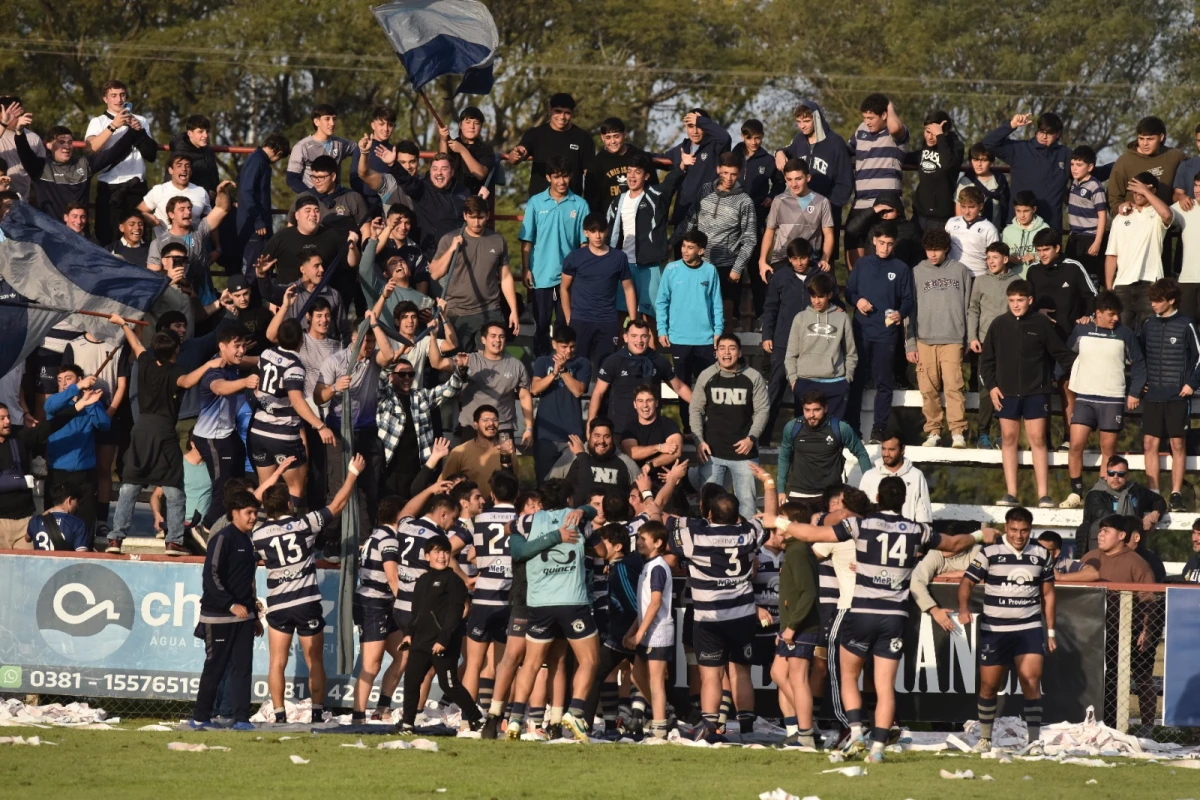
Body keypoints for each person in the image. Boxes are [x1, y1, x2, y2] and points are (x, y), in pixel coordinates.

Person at [777, 477, 994, 763]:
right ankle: (877, 749)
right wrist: (981, 536)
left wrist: (779, 522)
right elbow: (953, 544)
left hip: (863, 612)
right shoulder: (918, 530)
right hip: (894, 617)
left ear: (877, 496)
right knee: (883, 685)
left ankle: (856, 731)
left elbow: (809, 534)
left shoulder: (862, 524)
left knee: (849, 676)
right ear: (904, 500)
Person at [666, 469, 777, 742]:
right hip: (741, 616)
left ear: (710, 514)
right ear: (737, 515)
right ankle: (748, 730)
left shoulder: (696, 537)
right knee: (740, 673)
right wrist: (769, 484)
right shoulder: (749, 532)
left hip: (709, 619)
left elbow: (659, 516)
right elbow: (771, 521)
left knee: (711, 677)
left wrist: (663, 486)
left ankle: (710, 729)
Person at [254, 457, 363, 724]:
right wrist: (352, 473)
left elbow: (253, 499)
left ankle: (279, 715)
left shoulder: (258, 533)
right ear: (289, 504)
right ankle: (317, 711)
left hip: (278, 604)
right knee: (315, 660)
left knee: (277, 662)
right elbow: (337, 505)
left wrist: (275, 473)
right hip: (306, 601)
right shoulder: (305, 523)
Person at [504, 478, 604, 741]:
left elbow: (508, 527)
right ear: (569, 500)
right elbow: (603, 551)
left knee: (532, 663)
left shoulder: (528, 521)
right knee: (590, 660)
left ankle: (515, 719)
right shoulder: (578, 519)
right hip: (572, 601)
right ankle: (575, 711)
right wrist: (585, 512)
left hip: (538, 603)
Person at [106, 319, 218, 555]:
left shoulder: (145, 362)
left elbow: (136, 344)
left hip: (140, 431)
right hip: (164, 432)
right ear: (176, 349)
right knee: (174, 488)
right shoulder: (175, 371)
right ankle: (174, 540)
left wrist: (123, 324)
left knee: (129, 487)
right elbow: (188, 381)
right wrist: (210, 365)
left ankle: (116, 539)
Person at [958, 506, 1056, 754]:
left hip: (1029, 628)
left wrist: (1051, 631)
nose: (1019, 536)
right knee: (989, 686)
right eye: (1014, 530)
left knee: (1031, 681)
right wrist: (963, 608)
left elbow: (1048, 593)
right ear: (1006, 528)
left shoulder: (1041, 553)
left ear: (1030, 530)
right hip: (995, 630)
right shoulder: (989, 552)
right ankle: (985, 738)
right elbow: (967, 581)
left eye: (1024, 530)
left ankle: (1034, 741)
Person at [980, 280, 1076, 508]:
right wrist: (992, 386)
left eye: (1020, 300)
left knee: (1038, 440)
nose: (1015, 305)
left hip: (1036, 392)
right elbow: (986, 361)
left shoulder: (1042, 324)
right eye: (1011, 300)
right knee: (1009, 440)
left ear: (1030, 300)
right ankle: (1011, 493)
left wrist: (1087, 368)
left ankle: (1044, 494)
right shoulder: (999, 324)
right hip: (1006, 394)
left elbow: (1061, 354)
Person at [1060, 293, 1146, 509]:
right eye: (1111, 314)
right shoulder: (1081, 329)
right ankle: (1075, 493)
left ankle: (1100, 495)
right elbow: (1065, 357)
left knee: (1108, 451)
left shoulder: (1125, 333)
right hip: (1085, 398)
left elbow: (1139, 365)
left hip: (1112, 399)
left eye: (1117, 314)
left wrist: (1135, 392)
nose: (1115, 318)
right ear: (1097, 314)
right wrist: (1055, 378)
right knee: (1075, 444)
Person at [1079, 515, 1161, 735]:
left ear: (1122, 535)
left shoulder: (1136, 563)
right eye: (1100, 530)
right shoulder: (1089, 557)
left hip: (1129, 634)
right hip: (1093, 634)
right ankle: (1092, 722)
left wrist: (1147, 630)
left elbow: (1150, 600)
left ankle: (1147, 727)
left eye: (1107, 530)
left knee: (1141, 676)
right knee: (1094, 678)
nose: (1101, 534)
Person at [189, 490, 264, 730]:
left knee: (242, 669)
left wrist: (253, 614)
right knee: (215, 668)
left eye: (255, 513)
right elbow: (211, 576)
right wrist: (230, 604)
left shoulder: (248, 540)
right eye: (248, 513)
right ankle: (201, 717)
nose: (253, 517)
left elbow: (247, 582)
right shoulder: (223, 538)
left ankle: (241, 718)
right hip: (219, 617)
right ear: (235, 513)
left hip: (244, 618)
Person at [5, 101, 146, 227]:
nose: (67, 146)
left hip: (80, 237)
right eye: (61, 142)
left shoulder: (84, 164)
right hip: (50, 236)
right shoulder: (40, 167)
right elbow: (24, 152)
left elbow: (114, 152)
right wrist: (19, 131)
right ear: (48, 145)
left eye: (70, 142)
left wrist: (133, 131)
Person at [398, 535, 483, 732]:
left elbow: (455, 613)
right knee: (411, 682)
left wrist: (444, 639)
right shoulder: (422, 580)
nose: (442, 556)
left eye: (445, 552)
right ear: (427, 556)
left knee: (449, 685)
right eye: (437, 552)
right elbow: (417, 612)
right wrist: (409, 634)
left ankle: (476, 718)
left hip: (443, 643)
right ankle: (407, 724)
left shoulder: (454, 581)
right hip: (420, 641)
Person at [247, 318, 333, 505]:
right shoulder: (294, 365)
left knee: (266, 487)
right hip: (283, 435)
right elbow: (296, 400)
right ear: (301, 340)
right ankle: (292, 530)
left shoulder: (267, 353)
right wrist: (320, 426)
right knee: (296, 489)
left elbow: (261, 387)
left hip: (258, 432)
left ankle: (263, 531)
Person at [846, 222, 915, 443]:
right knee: (856, 381)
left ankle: (878, 429)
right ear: (874, 241)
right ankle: (853, 428)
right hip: (861, 331)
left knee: (884, 383)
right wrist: (858, 301)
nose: (885, 247)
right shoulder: (862, 264)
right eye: (882, 242)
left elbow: (908, 300)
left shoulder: (901, 268)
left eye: (890, 244)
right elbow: (849, 291)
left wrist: (899, 313)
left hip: (886, 334)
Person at [690, 334, 769, 521]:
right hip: (712, 452)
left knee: (747, 506)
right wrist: (698, 441)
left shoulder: (753, 377)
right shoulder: (707, 375)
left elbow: (763, 410)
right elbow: (695, 410)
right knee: (709, 508)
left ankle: (749, 546)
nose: (727, 352)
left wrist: (752, 438)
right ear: (715, 352)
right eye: (722, 348)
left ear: (740, 352)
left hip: (745, 453)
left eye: (732, 348)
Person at [673, 152, 758, 326]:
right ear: (718, 169)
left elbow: (750, 239)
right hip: (701, 263)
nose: (729, 178)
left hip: (727, 267)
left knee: (724, 318)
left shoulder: (744, 201)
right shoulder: (704, 190)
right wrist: (671, 242)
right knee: (698, 312)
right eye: (725, 173)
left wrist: (738, 267)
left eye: (733, 174)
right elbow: (691, 219)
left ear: (739, 173)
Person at [1138, 278, 1200, 510]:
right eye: (1152, 299)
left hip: (1177, 396)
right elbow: (1138, 356)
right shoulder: (1147, 324)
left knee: (1177, 444)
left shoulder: (1186, 324)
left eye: (1158, 300)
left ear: (1171, 300)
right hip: (1153, 395)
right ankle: (1153, 494)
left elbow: (1199, 357)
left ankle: (1175, 494)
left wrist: (1191, 384)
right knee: (1149, 444)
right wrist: (1140, 383)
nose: (1153, 304)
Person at [908, 227, 973, 447]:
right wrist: (909, 343)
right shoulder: (917, 272)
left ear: (946, 248)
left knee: (954, 386)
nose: (933, 254)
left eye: (937, 250)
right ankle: (933, 431)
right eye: (929, 250)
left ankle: (957, 432)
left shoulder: (961, 271)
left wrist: (968, 338)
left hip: (953, 338)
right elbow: (910, 309)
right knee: (927, 388)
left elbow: (968, 308)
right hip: (924, 339)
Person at [518, 156, 588, 356]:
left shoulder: (580, 204)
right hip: (541, 274)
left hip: (569, 277)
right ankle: (541, 368)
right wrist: (525, 269)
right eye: (557, 177)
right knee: (541, 324)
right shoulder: (535, 202)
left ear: (571, 176)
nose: (561, 182)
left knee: (565, 325)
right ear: (549, 177)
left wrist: (581, 273)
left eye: (565, 176)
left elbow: (584, 242)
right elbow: (527, 239)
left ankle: (563, 368)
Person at [460, 471, 520, 706]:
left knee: (474, 664)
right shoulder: (522, 518)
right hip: (511, 598)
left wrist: (476, 571)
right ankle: (502, 717)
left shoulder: (479, 519)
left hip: (483, 596)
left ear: (492, 495)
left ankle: (467, 719)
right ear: (517, 495)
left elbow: (466, 553)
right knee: (508, 662)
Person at [605, 153, 683, 331]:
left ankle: (651, 357)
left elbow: (671, 183)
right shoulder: (618, 201)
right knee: (619, 315)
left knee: (651, 317)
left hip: (649, 265)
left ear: (646, 176)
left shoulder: (655, 195)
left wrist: (682, 166)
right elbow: (608, 231)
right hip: (623, 266)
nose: (632, 176)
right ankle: (621, 356)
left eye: (637, 172)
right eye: (629, 172)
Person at [429, 196, 519, 348]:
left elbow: (505, 277)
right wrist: (452, 249)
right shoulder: (449, 239)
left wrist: (513, 310)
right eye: (472, 217)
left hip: (491, 310)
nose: (476, 222)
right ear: (464, 215)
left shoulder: (498, 240)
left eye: (480, 217)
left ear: (487, 216)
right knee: (460, 364)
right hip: (457, 312)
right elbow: (435, 273)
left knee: (491, 362)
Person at [376, 355, 468, 503]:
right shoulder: (385, 398)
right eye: (402, 374)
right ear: (392, 377)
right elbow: (381, 380)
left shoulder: (421, 396)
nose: (407, 378)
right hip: (390, 471)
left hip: (418, 470)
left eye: (411, 374)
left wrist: (461, 369)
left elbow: (450, 389)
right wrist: (394, 358)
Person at [193, 326, 257, 533]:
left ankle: (229, 527)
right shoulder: (214, 370)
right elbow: (220, 387)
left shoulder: (233, 363)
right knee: (224, 487)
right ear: (222, 346)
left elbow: (250, 360)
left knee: (238, 484)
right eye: (236, 346)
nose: (241, 351)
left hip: (228, 434)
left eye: (243, 346)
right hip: (212, 438)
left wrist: (270, 357)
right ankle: (204, 528)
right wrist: (245, 382)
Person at [350, 496, 405, 722]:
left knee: (404, 654)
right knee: (371, 664)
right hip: (373, 604)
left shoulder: (376, 534)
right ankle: (358, 715)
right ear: (398, 517)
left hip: (382, 602)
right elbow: (392, 577)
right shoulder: (388, 539)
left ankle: (382, 708)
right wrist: (404, 604)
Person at [84, 80, 159, 244]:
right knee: (108, 238)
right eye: (113, 96)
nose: (118, 100)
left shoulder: (141, 120)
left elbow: (151, 155)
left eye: (122, 95)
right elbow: (90, 149)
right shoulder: (98, 122)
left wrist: (139, 132)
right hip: (109, 187)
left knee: (139, 240)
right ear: (105, 99)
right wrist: (113, 126)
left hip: (136, 186)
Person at [776, 100, 853, 257]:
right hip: (801, 212)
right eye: (799, 122)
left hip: (827, 214)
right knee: (799, 259)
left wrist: (827, 207)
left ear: (816, 118)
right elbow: (786, 151)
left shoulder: (835, 142)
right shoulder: (799, 140)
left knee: (825, 262)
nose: (802, 125)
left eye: (806, 121)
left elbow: (845, 182)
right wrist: (779, 152)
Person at [591, 319, 693, 437]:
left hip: (652, 429)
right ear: (625, 337)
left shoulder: (659, 360)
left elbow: (680, 388)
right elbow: (598, 393)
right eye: (634, 336)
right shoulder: (613, 361)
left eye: (643, 336)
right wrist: (590, 423)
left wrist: (705, 406)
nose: (639, 341)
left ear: (649, 338)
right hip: (620, 430)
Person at [560, 213, 636, 364]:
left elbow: (629, 289)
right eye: (593, 231)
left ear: (606, 231)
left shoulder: (619, 257)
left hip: (608, 321)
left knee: (607, 369)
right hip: (580, 321)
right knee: (578, 368)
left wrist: (633, 321)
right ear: (585, 233)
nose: (598, 235)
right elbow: (564, 288)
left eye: (601, 231)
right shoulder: (574, 257)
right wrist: (569, 317)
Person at [621, 520, 674, 740]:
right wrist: (631, 630)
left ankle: (660, 729)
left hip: (658, 633)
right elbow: (643, 606)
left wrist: (640, 633)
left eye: (644, 538)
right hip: (646, 632)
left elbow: (654, 603)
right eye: (638, 537)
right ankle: (666, 715)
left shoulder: (659, 567)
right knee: (636, 676)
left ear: (658, 542)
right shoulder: (648, 565)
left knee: (655, 681)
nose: (639, 542)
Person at [43, 367, 110, 536]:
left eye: (68, 378)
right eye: (59, 380)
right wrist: (77, 388)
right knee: (53, 528)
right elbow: (49, 406)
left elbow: (104, 425)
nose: (63, 384)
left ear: (80, 378)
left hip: (84, 474)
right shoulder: (56, 402)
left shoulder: (91, 402)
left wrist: (90, 402)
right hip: (58, 472)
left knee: (84, 527)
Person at [981, 111, 1074, 233]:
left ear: (1058, 134)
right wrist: (1011, 125)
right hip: (1019, 226)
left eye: (1049, 133)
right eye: (1041, 131)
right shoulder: (1020, 149)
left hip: (1050, 226)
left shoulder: (1066, 154)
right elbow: (988, 143)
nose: (1044, 136)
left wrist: (1108, 168)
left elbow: (1088, 173)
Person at [846, 94, 908, 269]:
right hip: (860, 205)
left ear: (884, 115)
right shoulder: (860, 130)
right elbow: (842, 151)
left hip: (886, 208)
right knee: (856, 265)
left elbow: (895, 127)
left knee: (884, 263)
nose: (867, 122)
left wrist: (888, 104)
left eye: (871, 117)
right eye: (865, 118)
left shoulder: (896, 132)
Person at [777, 390, 871, 505]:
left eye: (816, 410)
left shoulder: (840, 428)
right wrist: (780, 489)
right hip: (799, 494)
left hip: (831, 497)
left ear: (825, 408)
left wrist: (870, 484)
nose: (811, 415)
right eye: (807, 410)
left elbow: (861, 453)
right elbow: (784, 458)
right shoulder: (792, 427)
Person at [656, 229, 724, 387]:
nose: (685, 251)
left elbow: (716, 303)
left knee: (707, 386)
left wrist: (718, 331)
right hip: (679, 338)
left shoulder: (710, 271)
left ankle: (704, 414)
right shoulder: (671, 269)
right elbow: (661, 302)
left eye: (690, 247)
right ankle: (685, 414)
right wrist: (662, 330)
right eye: (683, 246)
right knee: (681, 386)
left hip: (706, 340)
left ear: (701, 251)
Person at [783, 271, 854, 420]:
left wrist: (846, 379)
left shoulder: (842, 318)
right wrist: (794, 381)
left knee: (832, 435)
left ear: (829, 295)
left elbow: (851, 353)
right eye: (813, 296)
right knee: (805, 436)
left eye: (820, 296)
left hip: (835, 384)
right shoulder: (800, 318)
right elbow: (790, 354)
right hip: (805, 383)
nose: (817, 301)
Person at [968, 242, 1020, 448]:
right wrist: (972, 337)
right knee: (986, 390)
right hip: (984, 344)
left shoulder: (1016, 281)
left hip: (1010, 345)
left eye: (995, 257)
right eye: (988, 258)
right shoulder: (980, 282)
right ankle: (983, 435)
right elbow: (973, 310)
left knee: (1007, 389)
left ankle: (1002, 434)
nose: (990, 262)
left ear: (1005, 259)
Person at [1107, 174, 1174, 331]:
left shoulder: (1157, 214)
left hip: (1150, 283)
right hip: (1122, 285)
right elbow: (1111, 255)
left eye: (1141, 191)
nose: (1137, 194)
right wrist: (1110, 287)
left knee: (1151, 332)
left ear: (1153, 191)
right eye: (1135, 191)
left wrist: (1146, 191)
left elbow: (1167, 215)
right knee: (1122, 334)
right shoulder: (1121, 218)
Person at [759, 159, 835, 280]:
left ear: (808, 177)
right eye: (789, 179)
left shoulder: (822, 202)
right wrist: (762, 261)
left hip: (810, 261)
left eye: (798, 179)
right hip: (781, 260)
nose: (794, 184)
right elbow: (769, 232)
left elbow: (829, 234)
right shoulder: (778, 201)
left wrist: (824, 259)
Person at [457, 321, 533, 442]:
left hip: (503, 427)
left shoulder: (516, 365)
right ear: (483, 340)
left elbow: (524, 396)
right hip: (472, 426)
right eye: (493, 336)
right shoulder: (469, 360)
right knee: (471, 461)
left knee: (504, 461)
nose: (497, 340)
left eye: (501, 337)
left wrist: (529, 429)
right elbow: (439, 363)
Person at [531, 326, 590, 482]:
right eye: (564, 347)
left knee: (571, 482)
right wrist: (554, 373)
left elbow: (578, 391)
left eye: (571, 347)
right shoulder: (542, 362)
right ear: (554, 344)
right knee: (544, 482)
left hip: (572, 435)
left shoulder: (582, 363)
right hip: (545, 435)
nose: (568, 351)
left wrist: (563, 371)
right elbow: (535, 389)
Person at [507, 93, 594, 197]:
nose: (562, 117)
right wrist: (516, 154)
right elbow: (514, 159)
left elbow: (590, 174)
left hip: (571, 203)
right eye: (558, 111)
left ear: (572, 113)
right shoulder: (535, 134)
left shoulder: (583, 138)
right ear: (549, 110)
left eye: (567, 113)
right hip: (540, 203)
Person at [1074, 455, 1165, 554]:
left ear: (1127, 476)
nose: (1115, 477)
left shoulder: (1135, 490)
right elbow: (1110, 521)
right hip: (1101, 547)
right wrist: (1139, 523)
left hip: (1132, 547)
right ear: (1105, 475)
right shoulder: (1095, 495)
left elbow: (1159, 500)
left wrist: (1155, 514)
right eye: (1111, 473)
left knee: (1154, 565)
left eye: (1120, 474)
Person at [664, 109, 733, 232]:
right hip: (683, 217)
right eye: (691, 126)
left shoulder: (715, 146)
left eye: (699, 126)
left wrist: (701, 120)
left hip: (709, 217)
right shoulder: (682, 149)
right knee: (682, 251)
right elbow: (659, 159)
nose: (695, 131)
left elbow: (725, 138)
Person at [235, 132, 291, 276]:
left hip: (255, 223)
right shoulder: (258, 161)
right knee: (253, 270)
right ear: (278, 153)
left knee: (259, 267)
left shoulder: (255, 159)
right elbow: (247, 191)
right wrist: (258, 220)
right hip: (254, 226)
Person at [1106, 116, 1187, 213]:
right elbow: (1113, 198)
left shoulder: (1176, 157)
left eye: (1150, 139)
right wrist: (1121, 209)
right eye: (1141, 138)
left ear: (1161, 137)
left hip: (1170, 222)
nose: (1145, 143)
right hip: (1135, 223)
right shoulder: (1124, 161)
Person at [903, 110, 964, 232]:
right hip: (919, 214)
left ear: (945, 132)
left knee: (935, 251)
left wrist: (940, 136)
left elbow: (947, 164)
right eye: (927, 131)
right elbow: (919, 156)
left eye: (934, 133)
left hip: (940, 218)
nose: (930, 137)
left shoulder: (956, 146)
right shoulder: (927, 144)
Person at [584, 116, 657, 215]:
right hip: (610, 221)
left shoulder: (640, 156)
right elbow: (592, 200)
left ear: (625, 134)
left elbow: (654, 189)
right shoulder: (596, 164)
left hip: (639, 217)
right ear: (602, 138)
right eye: (608, 137)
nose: (613, 141)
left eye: (616, 136)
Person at [560, 419, 640, 506]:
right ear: (589, 435)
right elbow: (551, 486)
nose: (602, 441)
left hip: (613, 518)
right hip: (576, 517)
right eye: (597, 436)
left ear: (612, 437)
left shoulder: (626, 463)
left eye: (606, 436)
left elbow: (641, 493)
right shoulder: (572, 456)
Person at [857, 434, 932, 522]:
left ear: (902, 450)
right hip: (874, 533)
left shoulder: (916, 475)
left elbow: (923, 513)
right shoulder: (869, 475)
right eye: (884, 449)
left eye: (891, 450)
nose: (886, 454)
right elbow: (860, 510)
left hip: (907, 533)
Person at [286, 103, 357, 192]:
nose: (332, 123)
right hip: (313, 201)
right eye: (327, 119)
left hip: (336, 199)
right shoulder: (302, 147)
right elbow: (292, 180)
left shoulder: (340, 143)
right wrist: (313, 196)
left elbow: (360, 149)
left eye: (334, 119)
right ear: (316, 122)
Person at [1066, 145, 1109, 284]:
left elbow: (1102, 215)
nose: (1074, 168)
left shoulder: (1095, 187)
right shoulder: (1075, 182)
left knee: (1090, 279)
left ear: (1090, 167)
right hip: (1074, 236)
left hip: (1089, 238)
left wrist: (1097, 242)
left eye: (1079, 165)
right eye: (1072, 164)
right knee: (1072, 278)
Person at [443, 405, 514, 490]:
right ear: (475, 424)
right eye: (485, 420)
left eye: (494, 420)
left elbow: (515, 485)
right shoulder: (459, 452)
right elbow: (443, 486)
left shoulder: (507, 451)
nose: (491, 423)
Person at [138, 152, 211, 226]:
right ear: (171, 170)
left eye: (187, 166)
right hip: (163, 237)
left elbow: (210, 222)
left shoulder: (201, 192)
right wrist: (147, 217)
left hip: (193, 237)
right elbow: (137, 212)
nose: (184, 169)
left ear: (191, 171)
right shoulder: (159, 190)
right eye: (179, 166)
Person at [945, 186, 1000, 279]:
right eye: (963, 207)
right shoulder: (951, 222)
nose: (967, 211)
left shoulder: (989, 228)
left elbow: (995, 257)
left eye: (971, 207)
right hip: (953, 275)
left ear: (981, 206)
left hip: (978, 277)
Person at [957, 141, 1011, 231]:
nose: (979, 164)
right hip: (970, 231)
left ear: (991, 162)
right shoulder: (965, 181)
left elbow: (1007, 205)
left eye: (984, 160)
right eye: (975, 160)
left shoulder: (1000, 180)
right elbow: (959, 208)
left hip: (995, 230)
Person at [439, 106, 494, 194]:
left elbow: (480, 174)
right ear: (460, 125)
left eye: (476, 123)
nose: (472, 127)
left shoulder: (486, 150)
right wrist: (443, 140)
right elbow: (441, 165)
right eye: (468, 122)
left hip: (473, 198)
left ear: (481, 126)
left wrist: (462, 150)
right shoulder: (451, 144)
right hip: (450, 196)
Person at [25, 483, 90, 552]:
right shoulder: (78, 524)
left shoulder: (35, 521)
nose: (77, 506)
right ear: (69, 500)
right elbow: (81, 555)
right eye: (77, 502)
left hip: (40, 562)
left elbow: (27, 538)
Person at [1001, 191, 1050, 275]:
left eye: (1026, 211)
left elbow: (1051, 255)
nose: (1022, 215)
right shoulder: (1007, 231)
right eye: (1018, 211)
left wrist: (1035, 258)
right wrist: (1009, 259)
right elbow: (1000, 257)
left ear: (1034, 209)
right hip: (1014, 279)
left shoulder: (1044, 228)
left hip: (1038, 277)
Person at [168, 114, 219, 194]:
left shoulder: (209, 151)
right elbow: (174, 186)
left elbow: (215, 181)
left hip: (211, 199)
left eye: (207, 131)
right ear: (189, 133)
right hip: (188, 200)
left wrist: (231, 200)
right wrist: (204, 193)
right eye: (200, 131)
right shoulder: (179, 153)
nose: (205, 135)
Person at [1174, 172, 1200, 320]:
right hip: (1188, 279)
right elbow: (1160, 213)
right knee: (1186, 328)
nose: (1197, 190)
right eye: (1196, 185)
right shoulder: (1185, 206)